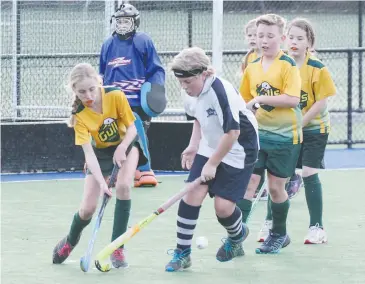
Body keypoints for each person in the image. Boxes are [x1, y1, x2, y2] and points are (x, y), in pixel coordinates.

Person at [164, 47, 259, 272]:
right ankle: (182, 253)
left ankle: (237, 237)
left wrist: (213, 163)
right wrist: (194, 145)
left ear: (204, 74)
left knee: (223, 208)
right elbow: (198, 118)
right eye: (181, 82)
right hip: (211, 143)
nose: (184, 87)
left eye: (188, 81)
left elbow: (233, 133)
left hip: (239, 148)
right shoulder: (190, 91)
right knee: (191, 195)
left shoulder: (219, 91)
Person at [52, 63, 147, 268]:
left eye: (92, 89)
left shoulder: (115, 95)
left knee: (123, 186)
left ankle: (117, 246)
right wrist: (102, 183)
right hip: (99, 154)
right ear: (74, 91)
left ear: (99, 83)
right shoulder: (79, 115)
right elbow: (89, 154)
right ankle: (70, 239)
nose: (88, 95)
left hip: (127, 144)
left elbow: (132, 128)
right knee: (87, 209)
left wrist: (122, 147)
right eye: (82, 91)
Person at [239, 14, 302, 253]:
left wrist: (261, 98)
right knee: (249, 183)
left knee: (276, 188)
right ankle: (237, 236)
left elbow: (292, 99)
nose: (263, 41)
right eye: (259, 35)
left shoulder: (288, 66)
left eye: (270, 36)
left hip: (286, 137)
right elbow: (244, 100)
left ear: (282, 38)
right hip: (258, 135)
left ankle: (278, 234)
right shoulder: (252, 67)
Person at [99, 3, 166, 187]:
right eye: (119, 21)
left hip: (137, 100)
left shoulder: (143, 41)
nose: (122, 25)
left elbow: (156, 69)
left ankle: (145, 170)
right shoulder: (107, 44)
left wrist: (154, 91)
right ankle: (115, 171)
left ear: (135, 22)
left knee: (137, 131)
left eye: (126, 21)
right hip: (113, 100)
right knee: (113, 134)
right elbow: (102, 73)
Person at [280, 18, 335, 244]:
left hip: (314, 129)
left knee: (309, 173)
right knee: (280, 176)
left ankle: (317, 228)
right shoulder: (281, 65)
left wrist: (299, 123)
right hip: (288, 129)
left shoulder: (317, 68)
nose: (294, 42)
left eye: (300, 39)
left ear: (309, 42)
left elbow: (320, 102)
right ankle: (274, 228)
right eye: (291, 37)